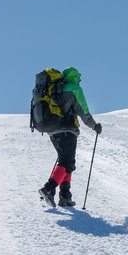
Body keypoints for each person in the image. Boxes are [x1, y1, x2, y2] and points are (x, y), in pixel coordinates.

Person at [38, 67, 102, 207]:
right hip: (67, 130)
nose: (79, 80)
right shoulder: (74, 89)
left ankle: (65, 196)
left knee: (66, 161)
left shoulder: (57, 88)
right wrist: (94, 125)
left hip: (52, 130)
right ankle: (48, 188)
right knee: (67, 162)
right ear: (74, 77)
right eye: (78, 77)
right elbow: (83, 111)